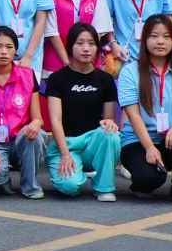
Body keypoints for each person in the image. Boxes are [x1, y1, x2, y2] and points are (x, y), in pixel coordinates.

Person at [116, 15, 172, 204]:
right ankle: (142, 183)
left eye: (166, 36)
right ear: (145, 39)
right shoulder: (130, 71)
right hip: (137, 141)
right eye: (154, 36)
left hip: (171, 137)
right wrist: (149, 147)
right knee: (148, 180)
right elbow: (133, 114)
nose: (160, 41)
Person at [39, 23, 119, 202]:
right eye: (80, 43)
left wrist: (110, 122)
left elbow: (109, 119)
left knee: (111, 134)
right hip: (66, 144)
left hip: (92, 143)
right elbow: (55, 120)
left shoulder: (105, 80)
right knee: (69, 187)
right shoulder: (57, 79)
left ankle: (103, 187)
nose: (86, 48)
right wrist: (65, 155)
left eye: (91, 43)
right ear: (70, 46)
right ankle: (77, 172)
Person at [0, 27, 45, 199]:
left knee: (36, 135)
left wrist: (36, 123)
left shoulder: (28, 75)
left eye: (9, 47)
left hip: (21, 139)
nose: (4, 52)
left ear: (15, 50)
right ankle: (3, 180)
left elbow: (38, 117)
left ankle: (30, 186)